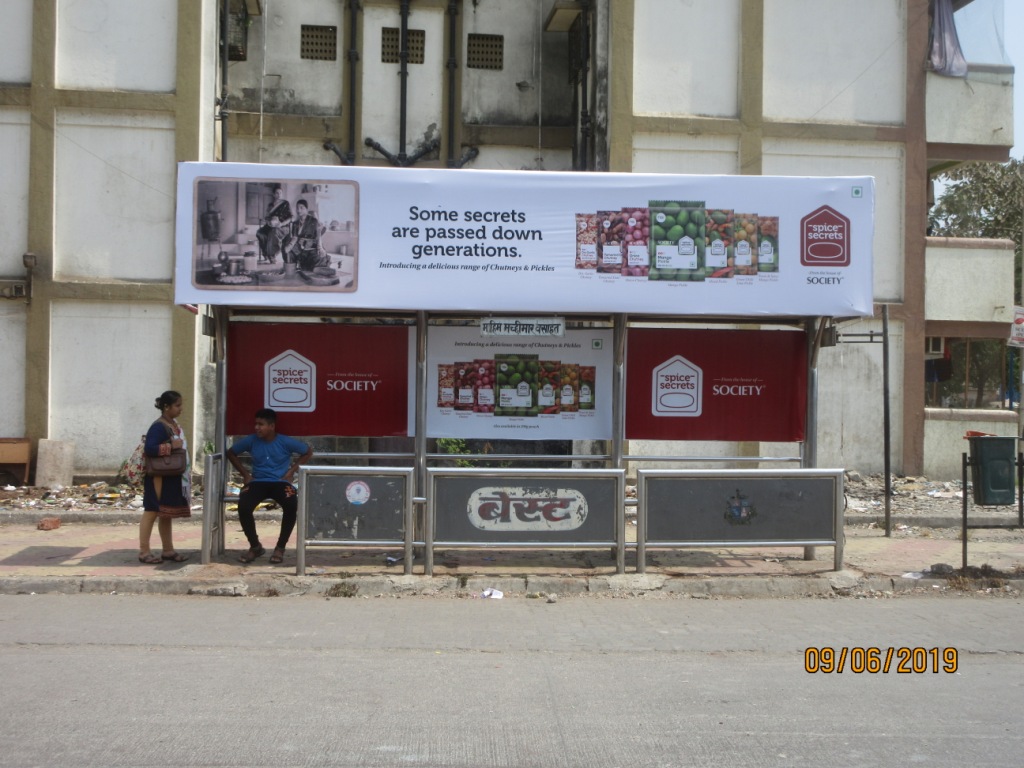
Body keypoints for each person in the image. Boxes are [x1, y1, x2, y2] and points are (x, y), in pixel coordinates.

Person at [227, 408, 313, 564]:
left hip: (280, 483)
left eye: (261, 424)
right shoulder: (251, 440)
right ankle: (255, 547)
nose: (257, 427)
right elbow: (231, 453)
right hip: (257, 482)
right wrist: (246, 475)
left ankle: (280, 548)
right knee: (244, 505)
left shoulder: (285, 441)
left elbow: (307, 452)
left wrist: (291, 472)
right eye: (256, 424)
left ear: (272, 426)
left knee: (291, 503)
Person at [138, 390, 191, 564]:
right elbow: (150, 449)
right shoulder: (158, 426)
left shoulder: (172, 424)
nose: (180, 409)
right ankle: (144, 551)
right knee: (152, 511)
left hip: (170, 475)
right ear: (166, 407)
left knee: (165, 513)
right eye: (177, 405)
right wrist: (171, 445)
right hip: (158, 477)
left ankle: (168, 550)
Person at [287, 198, 329, 272]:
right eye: (297, 208)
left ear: (306, 209)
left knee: (318, 259)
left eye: (301, 208)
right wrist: (289, 246)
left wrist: (320, 248)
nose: (298, 210)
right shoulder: (295, 223)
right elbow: (294, 237)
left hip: (313, 247)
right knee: (289, 250)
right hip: (300, 249)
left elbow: (318, 236)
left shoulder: (313, 221)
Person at [255, 184, 292, 264]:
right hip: (271, 226)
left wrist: (281, 224)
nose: (279, 195)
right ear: (273, 194)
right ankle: (266, 253)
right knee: (260, 233)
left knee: (273, 232)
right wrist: (269, 221)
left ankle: (272, 255)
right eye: (277, 193)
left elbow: (290, 217)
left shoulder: (285, 203)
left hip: (283, 226)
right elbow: (267, 217)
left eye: (280, 193)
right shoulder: (270, 205)